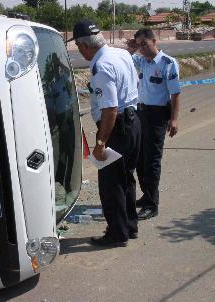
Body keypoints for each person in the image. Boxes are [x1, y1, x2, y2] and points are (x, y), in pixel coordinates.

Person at [71, 20, 141, 246]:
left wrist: (100, 143)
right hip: (133, 123)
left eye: (79, 48)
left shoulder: (101, 67)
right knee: (127, 179)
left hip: (116, 127)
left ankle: (117, 233)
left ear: (84, 45)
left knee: (111, 185)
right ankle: (129, 226)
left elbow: (110, 109)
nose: (80, 52)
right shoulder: (121, 54)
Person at [127, 28, 181, 220]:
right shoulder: (141, 60)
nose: (142, 49)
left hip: (157, 116)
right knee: (140, 159)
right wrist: (131, 48)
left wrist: (174, 119)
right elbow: (126, 58)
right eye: (139, 45)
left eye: (144, 44)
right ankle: (147, 195)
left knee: (152, 161)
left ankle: (152, 204)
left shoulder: (168, 63)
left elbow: (175, 94)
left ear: (154, 41)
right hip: (141, 113)